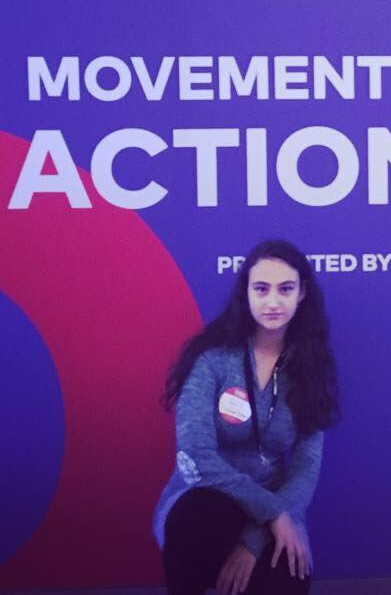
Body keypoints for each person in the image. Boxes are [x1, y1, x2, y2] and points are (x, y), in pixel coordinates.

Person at [153, 239, 339, 595]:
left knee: (290, 577)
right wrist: (273, 513)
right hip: (206, 498)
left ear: (301, 294)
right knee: (202, 519)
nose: (273, 302)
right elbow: (197, 455)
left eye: (286, 289)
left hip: (274, 505)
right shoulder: (212, 360)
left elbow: (305, 467)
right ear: (246, 293)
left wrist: (254, 540)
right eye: (261, 289)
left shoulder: (312, 368)